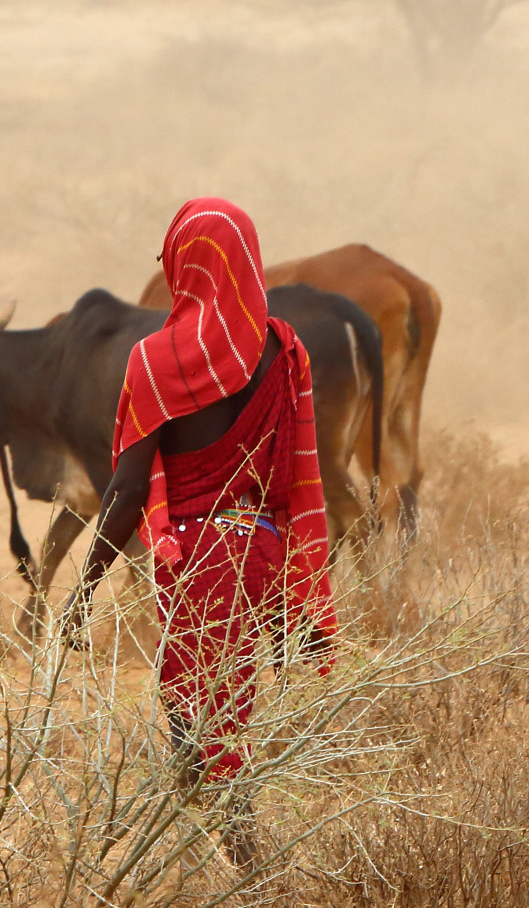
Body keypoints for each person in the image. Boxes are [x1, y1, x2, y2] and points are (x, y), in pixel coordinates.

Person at [60, 197, 336, 867]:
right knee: (231, 713)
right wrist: (295, 600)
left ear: (185, 265)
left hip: (198, 560)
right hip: (265, 547)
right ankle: (197, 871)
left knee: (200, 725)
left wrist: (85, 585)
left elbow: (126, 489)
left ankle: (249, 880)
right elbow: (298, 474)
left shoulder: (157, 359)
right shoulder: (283, 349)